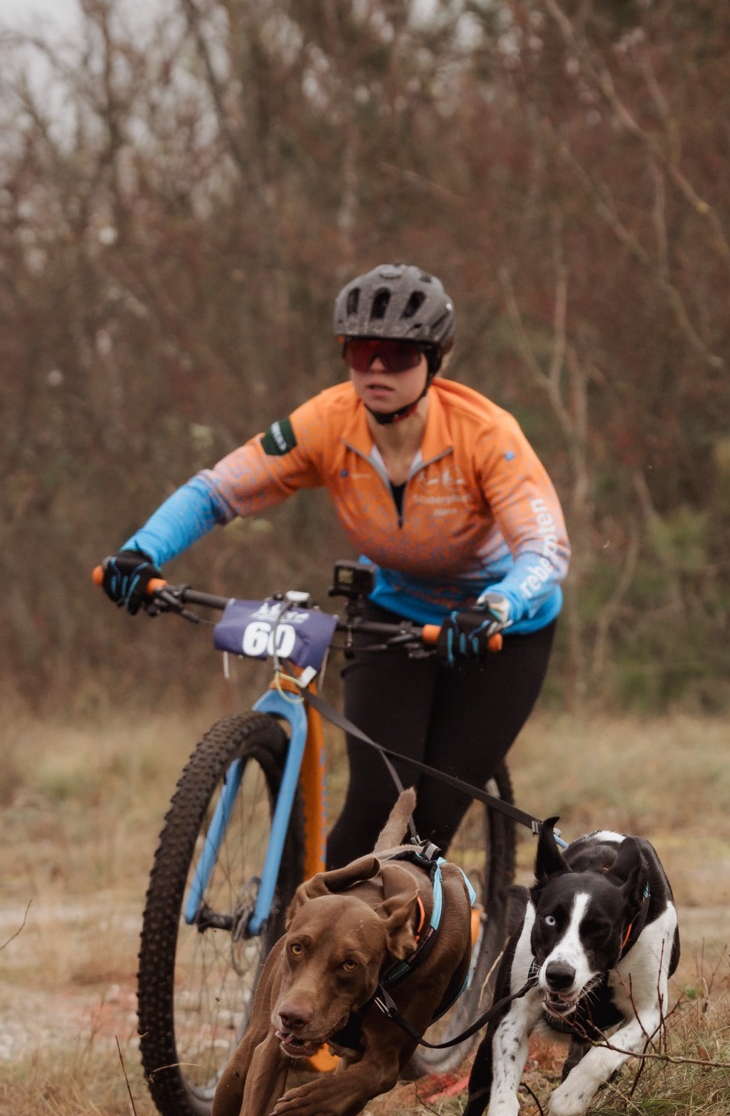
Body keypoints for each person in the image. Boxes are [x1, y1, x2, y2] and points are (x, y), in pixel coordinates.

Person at [100, 264, 568, 870]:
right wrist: (143, 551)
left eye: (396, 354)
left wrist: (496, 607)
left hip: (501, 634)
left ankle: (444, 948)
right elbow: (218, 491)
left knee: (427, 828)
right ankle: (308, 956)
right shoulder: (326, 421)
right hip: (395, 614)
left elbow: (545, 549)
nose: (375, 368)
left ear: (434, 360)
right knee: (374, 809)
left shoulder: (486, 433)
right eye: (359, 350)